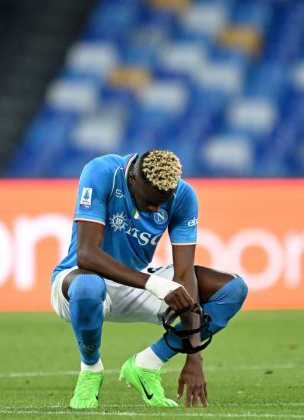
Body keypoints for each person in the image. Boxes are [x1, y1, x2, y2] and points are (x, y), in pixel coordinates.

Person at [50, 149, 248, 409]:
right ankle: (90, 370)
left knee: (232, 290)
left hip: (135, 284)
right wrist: (154, 284)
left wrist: (195, 357)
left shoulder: (184, 196)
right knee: (89, 286)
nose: (155, 208)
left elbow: (185, 275)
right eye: (149, 201)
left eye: (162, 203)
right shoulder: (102, 172)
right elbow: (87, 255)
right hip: (80, 282)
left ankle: (147, 364)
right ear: (132, 179)